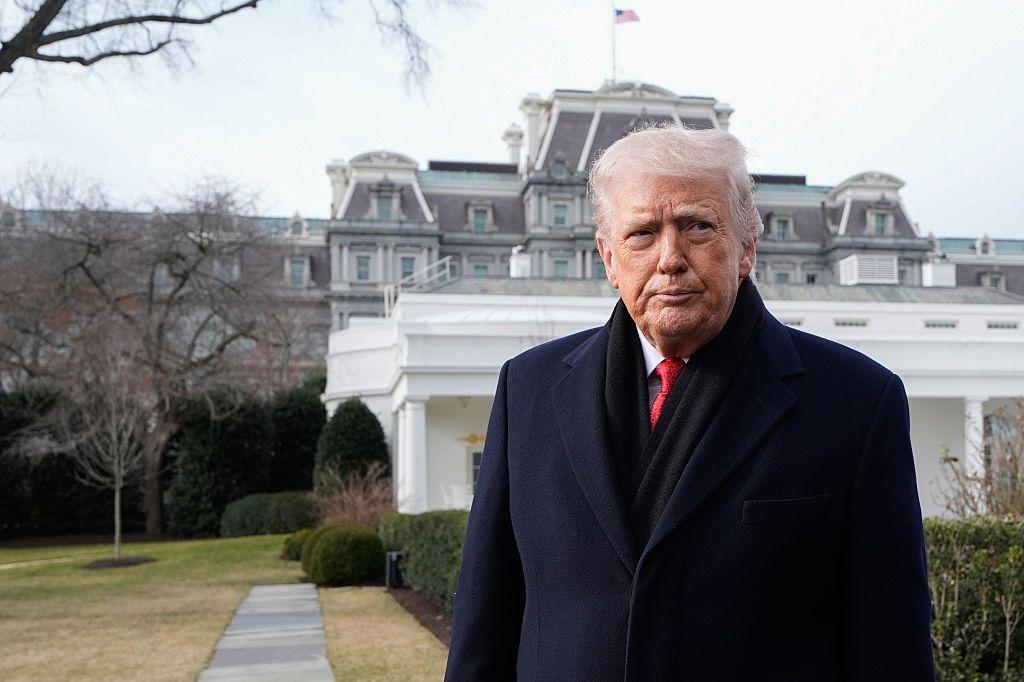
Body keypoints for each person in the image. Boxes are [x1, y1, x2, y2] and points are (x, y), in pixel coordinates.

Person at [444, 124, 935, 680]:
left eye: (698, 227)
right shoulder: (526, 391)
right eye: (643, 233)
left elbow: (892, 649)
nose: (670, 257)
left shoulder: (856, 401)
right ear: (608, 257)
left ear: (747, 246)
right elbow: (484, 629)